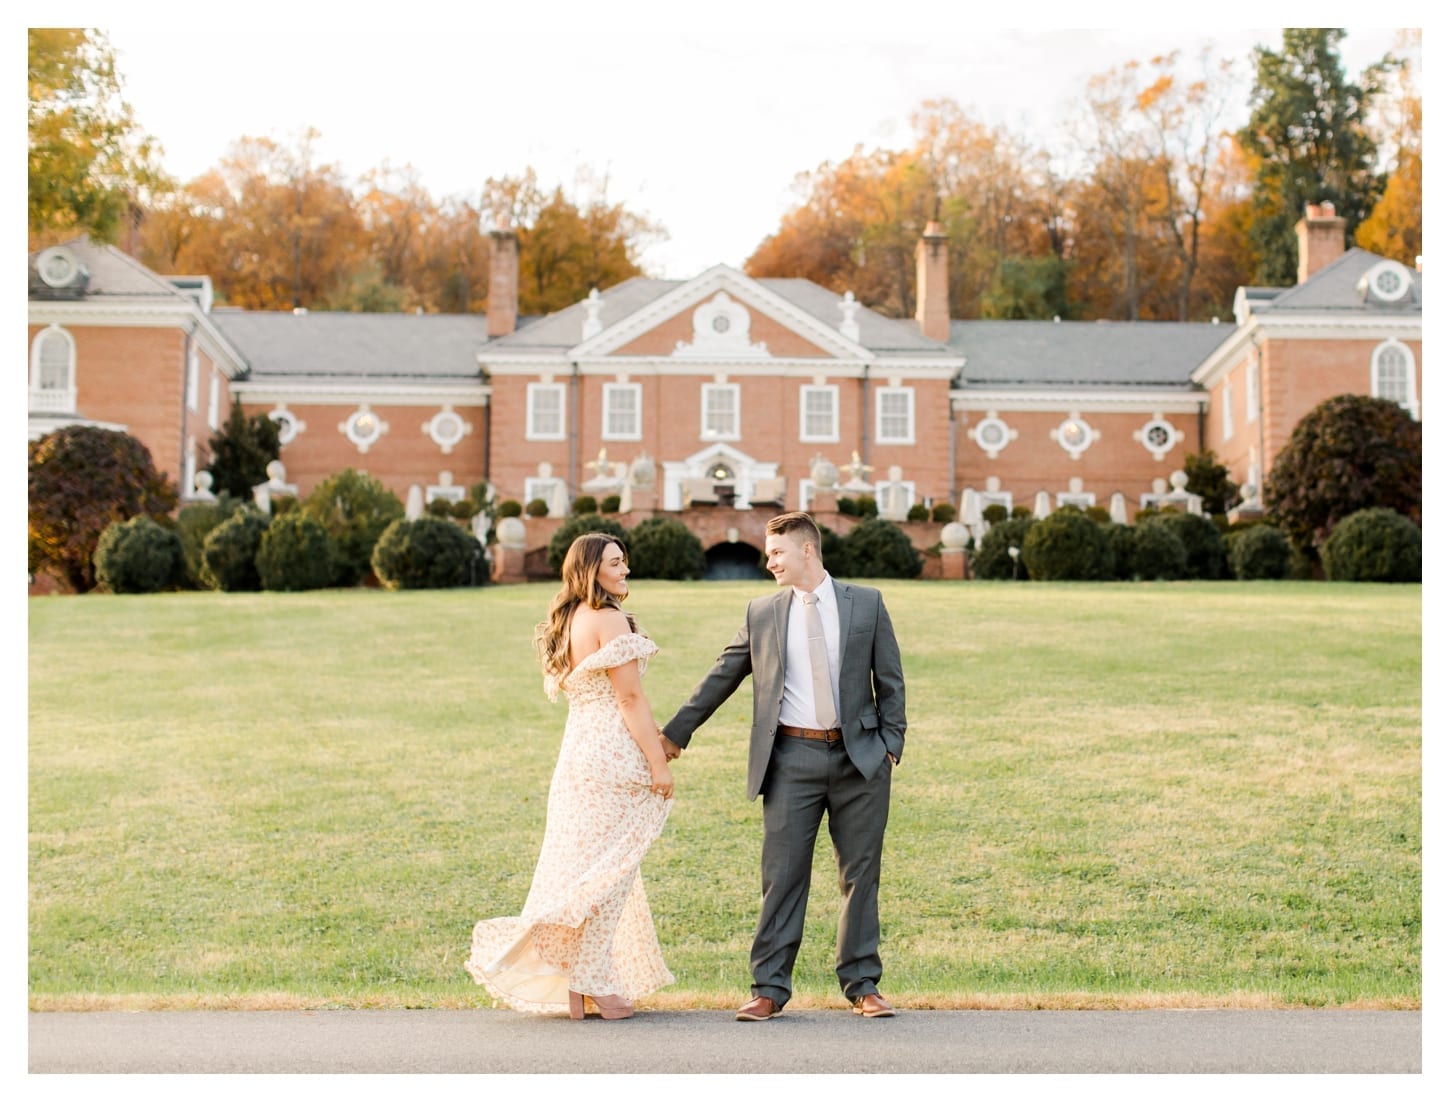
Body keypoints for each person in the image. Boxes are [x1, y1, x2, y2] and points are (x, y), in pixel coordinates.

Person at [661, 511, 906, 1021]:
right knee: (782, 876)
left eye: (776, 553)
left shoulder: (866, 603)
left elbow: (891, 678)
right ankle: (769, 988)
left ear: (807, 551)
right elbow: (722, 675)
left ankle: (863, 985)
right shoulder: (763, 613)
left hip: (860, 761)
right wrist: (674, 733)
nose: (768, 561)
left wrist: (890, 744)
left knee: (862, 875)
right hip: (791, 760)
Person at [466, 533, 676, 1020]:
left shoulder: (571, 619)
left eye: (625, 562)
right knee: (610, 873)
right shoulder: (608, 618)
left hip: (578, 753)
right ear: (591, 571)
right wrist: (657, 760)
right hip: (612, 756)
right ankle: (592, 979)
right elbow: (629, 699)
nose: (625, 570)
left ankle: (583, 980)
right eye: (615, 564)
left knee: (592, 870)